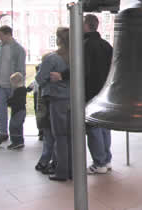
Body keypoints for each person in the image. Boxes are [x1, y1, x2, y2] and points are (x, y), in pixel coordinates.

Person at [51, 14, 113, 175]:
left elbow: (80, 68)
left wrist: (62, 75)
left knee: (92, 127)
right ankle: (106, 159)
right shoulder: (106, 45)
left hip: (89, 92)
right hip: (105, 92)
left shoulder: (84, 46)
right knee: (105, 126)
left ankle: (99, 162)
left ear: (86, 26)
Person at [36, 27, 71, 182]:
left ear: (59, 40)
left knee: (60, 136)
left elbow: (40, 78)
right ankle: (72, 169)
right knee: (72, 136)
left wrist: (49, 82)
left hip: (57, 99)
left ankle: (62, 171)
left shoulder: (52, 58)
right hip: (74, 99)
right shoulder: (77, 56)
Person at [0, 25, 26, 141]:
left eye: (1, 35)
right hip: (0, 84)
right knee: (0, 108)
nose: (0, 38)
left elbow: (21, 69)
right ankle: (3, 132)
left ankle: (16, 135)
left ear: (8, 34)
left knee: (16, 111)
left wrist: (18, 85)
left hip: (13, 86)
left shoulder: (18, 49)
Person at [7, 72, 27, 150]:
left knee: (13, 127)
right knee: (19, 127)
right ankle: (20, 141)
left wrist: (9, 102)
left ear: (15, 82)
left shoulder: (17, 91)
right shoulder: (24, 89)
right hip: (22, 111)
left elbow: (15, 101)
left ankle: (15, 142)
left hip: (17, 111)